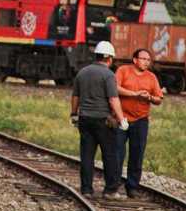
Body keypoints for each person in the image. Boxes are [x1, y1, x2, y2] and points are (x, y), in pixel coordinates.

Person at [70, 40, 128, 198]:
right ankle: (110, 190)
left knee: (87, 155)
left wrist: (74, 114)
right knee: (109, 155)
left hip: (85, 119)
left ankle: (86, 190)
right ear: (109, 58)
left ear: (96, 56)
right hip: (104, 120)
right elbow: (113, 99)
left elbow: (75, 96)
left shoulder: (82, 72)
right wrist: (122, 119)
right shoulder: (108, 75)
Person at [115, 47, 164, 198]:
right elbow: (115, 88)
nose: (146, 62)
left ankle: (132, 186)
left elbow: (159, 99)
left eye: (148, 60)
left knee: (137, 154)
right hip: (121, 118)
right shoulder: (123, 71)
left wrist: (149, 97)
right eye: (143, 59)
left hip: (141, 120)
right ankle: (113, 184)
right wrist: (134, 94)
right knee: (117, 153)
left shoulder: (151, 77)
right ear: (135, 60)